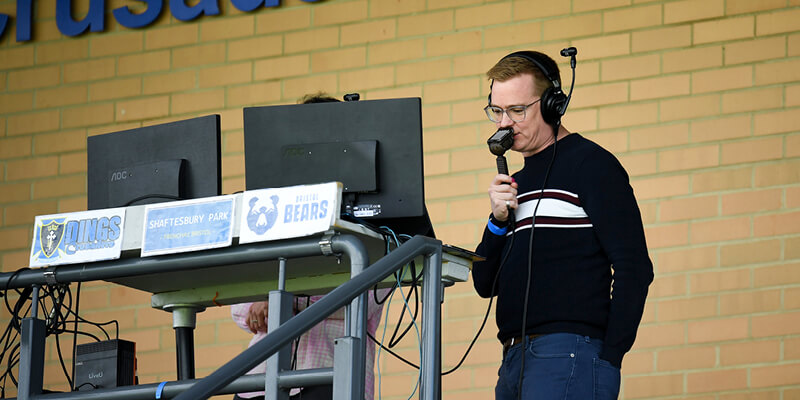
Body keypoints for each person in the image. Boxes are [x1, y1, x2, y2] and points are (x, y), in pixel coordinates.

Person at [471, 50, 654, 399]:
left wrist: (610, 355)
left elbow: (635, 266)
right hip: (513, 359)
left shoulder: (591, 165)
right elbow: (484, 283)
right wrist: (497, 221)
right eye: (497, 111)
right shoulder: (516, 184)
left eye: (518, 110)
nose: (504, 124)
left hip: (570, 354)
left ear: (554, 104)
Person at [231, 93, 388, 400]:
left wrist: (277, 301)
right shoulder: (273, 212)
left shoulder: (373, 218)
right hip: (260, 379)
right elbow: (238, 305)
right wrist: (259, 304)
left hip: (332, 376)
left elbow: (358, 303)